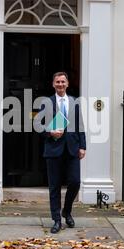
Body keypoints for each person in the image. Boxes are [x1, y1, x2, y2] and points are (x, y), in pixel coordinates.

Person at [37, 72, 86, 234]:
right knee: (54, 187)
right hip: (53, 149)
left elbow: (80, 125)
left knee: (75, 182)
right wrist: (50, 132)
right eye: (57, 82)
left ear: (67, 84)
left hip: (72, 148)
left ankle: (67, 210)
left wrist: (83, 146)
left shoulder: (74, 102)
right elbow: (37, 124)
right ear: (53, 84)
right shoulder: (47, 102)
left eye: (63, 81)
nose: (60, 84)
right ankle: (57, 220)